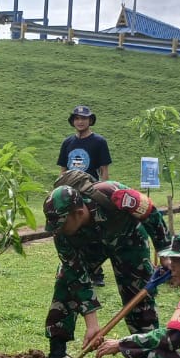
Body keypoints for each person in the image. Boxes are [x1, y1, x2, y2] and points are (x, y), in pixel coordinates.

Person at [42, 180, 171, 358]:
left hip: (129, 240)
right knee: (66, 282)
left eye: (62, 224)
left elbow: (151, 213)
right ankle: (57, 353)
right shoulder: (60, 233)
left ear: (78, 213)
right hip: (91, 246)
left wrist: (165, 252)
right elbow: (76, 276)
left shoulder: (113, 194)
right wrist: (92, 325)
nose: (57, 230)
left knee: (138, 295)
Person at [57, 105, 113, 285]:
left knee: (94, 230)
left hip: (90, 191)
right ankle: (70, 267)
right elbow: (63, 170)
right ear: (73, 121)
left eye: (84, 118)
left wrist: (104, 191)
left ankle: (96, 272)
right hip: (70, 192)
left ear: (90, 120)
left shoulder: (99, 142)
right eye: (76, 118)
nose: (80, 121)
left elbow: (104, 169)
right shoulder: (67, 142)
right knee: (69, 229)